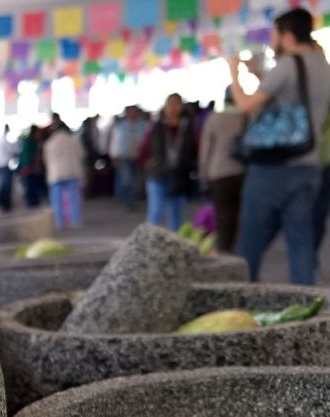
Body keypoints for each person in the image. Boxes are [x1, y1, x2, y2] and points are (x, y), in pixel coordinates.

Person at [230, 8, 330, 284]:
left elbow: (246, 104)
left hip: (274, 168)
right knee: (301, 243)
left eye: (274, 34)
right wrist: (259, 73)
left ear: (286, 35)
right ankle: (307, 307)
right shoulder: (323, 65)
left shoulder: (287, 65)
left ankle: (240, 302)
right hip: (309, 166)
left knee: (249, 244)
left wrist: (234, 72)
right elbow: (293, 96)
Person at [140, 93, 198, 232]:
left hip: (179, 176)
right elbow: (144, 148)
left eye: (176, 104)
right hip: (158, 174)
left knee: (176, 214)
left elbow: (195, 149)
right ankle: (147, 245)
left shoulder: (188, 127)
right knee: (156, 212)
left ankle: (175, 247)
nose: (173, 108)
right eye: (170, 104)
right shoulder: (157, 126)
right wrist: (147, 164)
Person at [198, 90, 247, 253]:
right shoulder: (246, 117)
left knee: (223, 214)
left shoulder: (214, 118)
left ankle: (224, 249)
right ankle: (235, 247)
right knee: (238, 213)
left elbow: (205, 150)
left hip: (218, 172)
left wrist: (203, 175)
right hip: (242, 172)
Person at [43, 120, 84, 229]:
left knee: (57, 201)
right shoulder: (73, 140)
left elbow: (47, 160)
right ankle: (75, 220)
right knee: (73, 198)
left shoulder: (49, 143)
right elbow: (80, 154)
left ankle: (59, 222)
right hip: (72, 171)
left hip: (56, 173)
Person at [109, 106, 148, 211]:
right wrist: (113, 154)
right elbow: (115, 141)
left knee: (136, 180)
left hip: (138, 156)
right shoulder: (121, 126)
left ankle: (131, 198)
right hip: (124, 156)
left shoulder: (144, 125)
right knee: (127, 180)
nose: (132, 114)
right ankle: (128, 201)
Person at [17, 126, 48, 208]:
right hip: (30, 169)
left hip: (27, 169)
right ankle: (33, 206)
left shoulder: (28, 141)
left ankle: (32, 205)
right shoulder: (32, 142)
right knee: (32, 188)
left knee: (30, 188)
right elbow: (31, 157)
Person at [0, 124, 15, 211]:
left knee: (3, 185)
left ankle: (3, 204)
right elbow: (11, 152)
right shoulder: (4, 141)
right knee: (6, 186)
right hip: (4, 165)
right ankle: (5, 205)